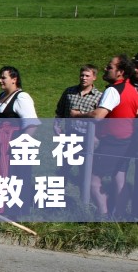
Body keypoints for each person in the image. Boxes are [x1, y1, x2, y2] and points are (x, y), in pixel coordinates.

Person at [71, 54, 138, 218]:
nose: (105, 69)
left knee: (91, 179)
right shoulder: (131, 89)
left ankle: (104, 215)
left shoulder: (113, 90)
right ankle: (119, 216)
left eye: (110, 67)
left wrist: (78, 115)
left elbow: (98, 116)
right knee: (119, 179)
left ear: (120, 72)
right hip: (127, 141)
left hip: (112, 142)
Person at [0, 66, 40, 214]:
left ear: (14, 79)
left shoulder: (22, 97)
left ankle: (9, 210)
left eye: (3, 77)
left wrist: (20, 145)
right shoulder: (2, 95)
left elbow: (32, 124)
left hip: (10, 141)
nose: (0, 80)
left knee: (8, 174)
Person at [54, 64, 102, 135]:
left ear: (94, 77)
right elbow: (60, 111)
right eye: (82, 75)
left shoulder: (99, 96)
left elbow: (99, 118)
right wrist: (56, 125)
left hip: (87, 135)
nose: (84, 78)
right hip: (68, 133)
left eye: (87, 76)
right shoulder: (69, 91)